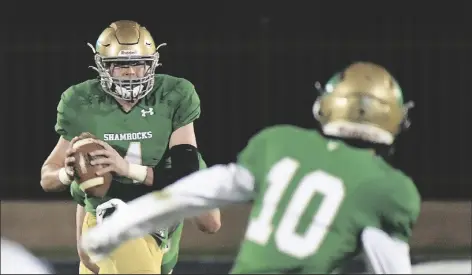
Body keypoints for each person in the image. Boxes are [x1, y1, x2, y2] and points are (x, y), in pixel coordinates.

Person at [80, 62, 421, 274]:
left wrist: (116, 229)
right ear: (394, 119)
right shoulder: (391, 189)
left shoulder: (281, 143)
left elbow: (198, 191)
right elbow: (389, 264)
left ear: (328, 106)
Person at [40, 20, 220, 274]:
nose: (131, 72)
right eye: (120, 65)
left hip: (157, 222)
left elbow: (205, 214)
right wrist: (67, 173)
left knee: (208, 221)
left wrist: (126, 168)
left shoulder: (174, 96)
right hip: (110, 220)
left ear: (152, 64)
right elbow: (50, 179)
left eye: (138, 63)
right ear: (103, 66)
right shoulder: (81, 103)